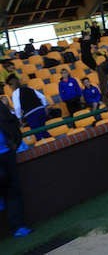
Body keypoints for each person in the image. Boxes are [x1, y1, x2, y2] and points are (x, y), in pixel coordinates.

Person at [0, 98, 32, 238]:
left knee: (13, 190)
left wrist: (14, 140)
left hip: (7, 153)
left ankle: (18, 226)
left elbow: (11, 122)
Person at [7, 74, 50, 140]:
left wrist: (19, 118)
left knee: (38, 134)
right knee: (43, 130)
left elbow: (17, 107)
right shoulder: (29, 88)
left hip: (31, 114)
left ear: (11, 85)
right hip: (41, 110)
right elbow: (43, 97)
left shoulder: (15, 93)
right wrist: (45, 107)